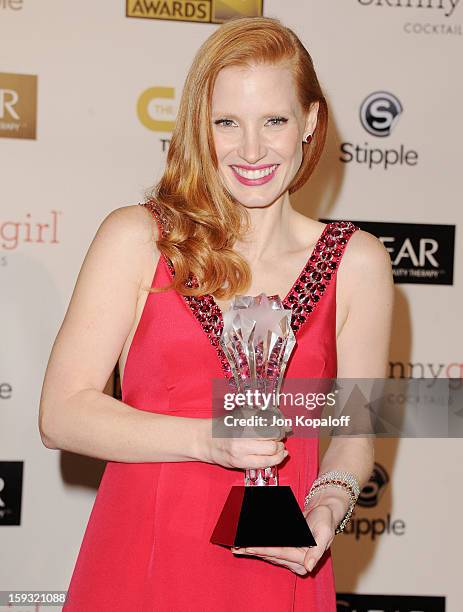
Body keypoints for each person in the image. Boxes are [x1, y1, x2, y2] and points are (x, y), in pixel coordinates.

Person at [38, 16, 393, 612]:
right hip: (140, 564)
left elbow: (356, 435)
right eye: (226, 123)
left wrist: (328, 506)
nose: (251, 150)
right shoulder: (139, 238)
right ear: (199, 130)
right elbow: (60, 414)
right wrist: (207, 439)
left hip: (279, 569)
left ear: (309, 121)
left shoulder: (356, 262)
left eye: (274, 121)